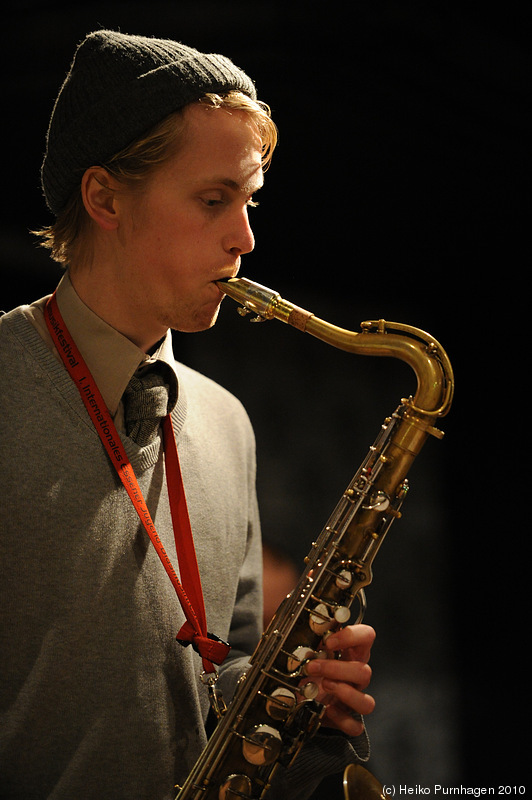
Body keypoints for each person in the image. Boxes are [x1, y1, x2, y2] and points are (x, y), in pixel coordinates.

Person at [0, 30, 376, 799]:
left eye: (248, 201)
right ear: (103, 196)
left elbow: (221, 661)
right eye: (213, 201)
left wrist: (287, 697)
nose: (245, 239)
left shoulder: (227, 421)